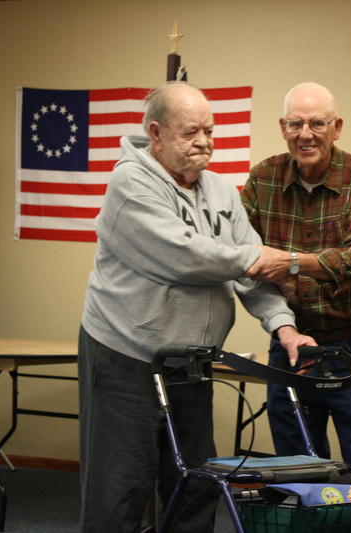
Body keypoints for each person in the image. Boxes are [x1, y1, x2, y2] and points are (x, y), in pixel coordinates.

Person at [78, 81, 315, 532]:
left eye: (209, 130)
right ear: (157, 134)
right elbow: (183, 256)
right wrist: (254, 257)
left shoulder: (223, 192)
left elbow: (253, 272)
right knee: (120, 488)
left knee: (195, 485)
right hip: (126, 356)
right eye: (191, 132)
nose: (205, 142)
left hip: (190, 363)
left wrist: (285, 327)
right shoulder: (129, 184)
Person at [241, 82, 351, 476]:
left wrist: (290, 264)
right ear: (282, 127)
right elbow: (246, 255)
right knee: (296, 464)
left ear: (336, 127)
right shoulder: (263, 178)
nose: (305, 134)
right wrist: (317, 268)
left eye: (316, 123)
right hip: (290, 344)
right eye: (295, 123)